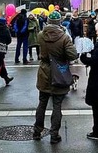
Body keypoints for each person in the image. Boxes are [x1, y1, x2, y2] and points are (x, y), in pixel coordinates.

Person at [33, 10, 79, 144]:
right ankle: (54, 134)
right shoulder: (64, 37)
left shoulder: (41, 35)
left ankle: (37, 131)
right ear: (59, 22)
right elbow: (72, 55)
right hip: (59, 72)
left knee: (42, 103)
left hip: (44, 71)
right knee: (57, 105)